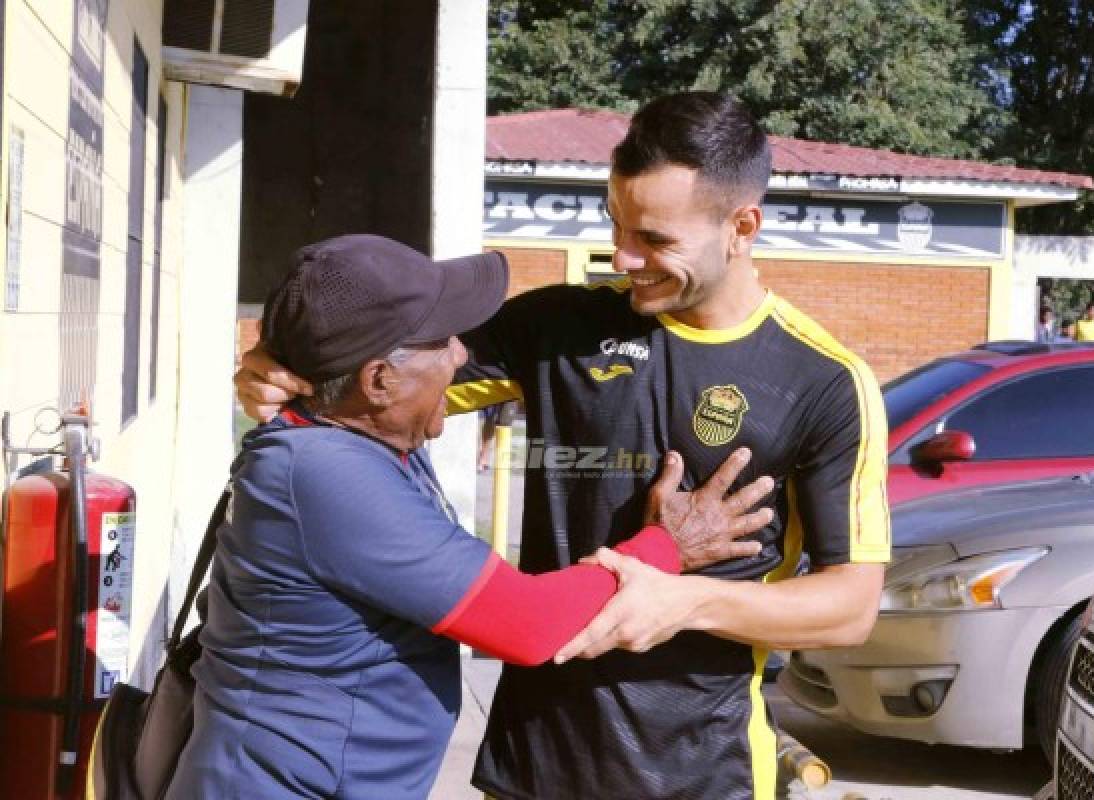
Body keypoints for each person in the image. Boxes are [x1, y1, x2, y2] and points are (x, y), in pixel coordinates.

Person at [237, 92, 890, 800]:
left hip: (705, 775)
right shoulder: (557, 327)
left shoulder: (826, 381)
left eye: (656, 239)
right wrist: (279, 370)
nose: (624, 255)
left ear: (742, 226)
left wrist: (684, 601)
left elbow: (850, 606)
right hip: (532, 765)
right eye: (617, 225)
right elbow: (372, 385)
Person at [182, 235, 775, 799]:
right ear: (379, 381)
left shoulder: (347, 430)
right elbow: (529, 624)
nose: (464, 354)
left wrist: (270, 363)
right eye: (443, 341)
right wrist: (668, 546)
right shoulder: (329, 476)